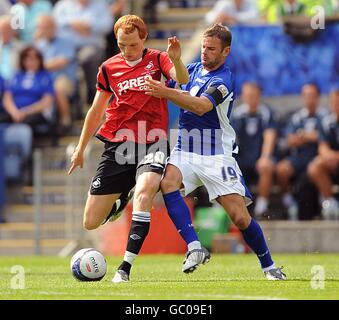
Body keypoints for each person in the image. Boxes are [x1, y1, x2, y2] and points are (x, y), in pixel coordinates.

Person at [145, 23, 286, 280]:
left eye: (211, 49)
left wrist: (166, 93)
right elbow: (178, 78)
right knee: (168, 183)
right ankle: (195, 247)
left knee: (239, 217)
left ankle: (269, 266)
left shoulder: (224, 79)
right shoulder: (194, 69)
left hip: (216, 153)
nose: (204, 52)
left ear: (225, 51)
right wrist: (176, 61)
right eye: (202, 47)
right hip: (185, 147)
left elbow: (200, 106)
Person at [67, 15, 189, 282]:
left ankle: (124, 269)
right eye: (122, 45)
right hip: (117, 144)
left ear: (143, 38)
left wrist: (177, 59)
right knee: (90, 221)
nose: (127, 50)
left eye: (132, 45)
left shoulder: (158, 59)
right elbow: (96, 110)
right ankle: (123, 197)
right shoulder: (109, 68)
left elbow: (182, 79)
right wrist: (80, 149)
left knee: (145, 194)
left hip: (153, 140)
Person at [276, 83, 325, 220]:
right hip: (299, 158)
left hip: (317, 157)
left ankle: (325, 201)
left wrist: (304, 136)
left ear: (318, 97)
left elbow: (323, 137)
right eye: (307, 95)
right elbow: (290, 140)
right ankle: (289, 201)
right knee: (281, 169)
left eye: (312, 96)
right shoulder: (296, 117)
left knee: (317, 167)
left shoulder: (325, 116)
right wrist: (311, 136)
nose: (310, 99)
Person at [232, 82, 277, 218]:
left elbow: (270, 136)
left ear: (259, 96)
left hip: (259, 156)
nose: (251, 98)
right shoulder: (238, 114)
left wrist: (265, 156)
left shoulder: (266, 113)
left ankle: (261, 208)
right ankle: (236, 209)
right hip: (243, 157)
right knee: (228, 169)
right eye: (248, 95)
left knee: (266, 166)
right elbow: (231, 137)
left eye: (253, 95)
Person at [307, 87, 339, 219]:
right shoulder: (327, 122)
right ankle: (331, 204)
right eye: (335, 103)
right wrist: (328, 156)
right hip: (333, 163)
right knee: (315, 166)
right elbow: (322, 146)